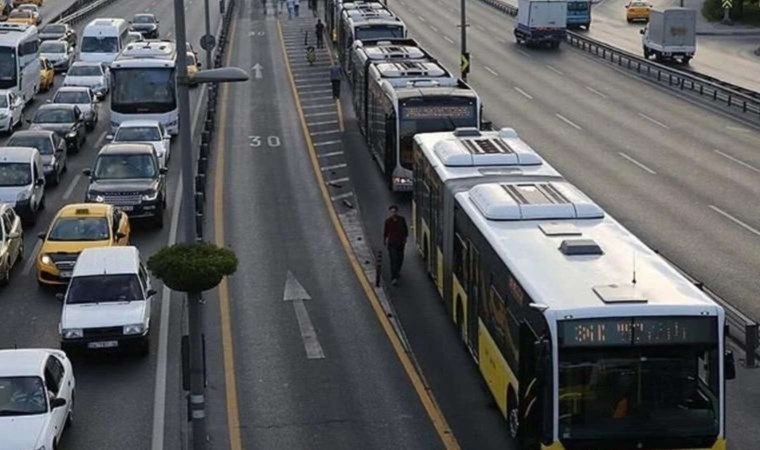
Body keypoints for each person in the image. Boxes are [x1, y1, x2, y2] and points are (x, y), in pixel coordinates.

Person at [384, 205, 408, 285]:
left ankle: (397, 271)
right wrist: (385, 241)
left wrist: (404, 239)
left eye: (394, 212)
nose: (393, 213)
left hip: (400, 243)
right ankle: (394, 277)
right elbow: (385, 232)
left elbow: (405, 230)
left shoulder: (402, 220)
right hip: (392, 244)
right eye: (391, 212)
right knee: (393, 260)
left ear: (397, 212)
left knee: (400, 259)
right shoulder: (388, 221)